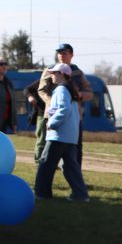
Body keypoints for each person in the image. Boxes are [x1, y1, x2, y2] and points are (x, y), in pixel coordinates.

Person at [34, 62, 90, 201]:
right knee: (70, 167)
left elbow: (64, 109)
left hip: (58, 135)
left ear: (62, 74)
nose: (51, 75)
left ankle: (41, 194)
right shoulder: (71, 90)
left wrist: (52, 123)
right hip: (70, 136)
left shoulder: (61, 90)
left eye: (54, 73)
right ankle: (81, 194)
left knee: (45, 164)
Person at [38, 43, 93, 167]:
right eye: (59, 53)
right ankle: (44, 171)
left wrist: (79, 95)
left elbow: (89, 93)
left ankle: (75, 173)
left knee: (75, 149)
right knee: (48, 147)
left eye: (64, 53)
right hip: (53, 115)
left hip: (74, 117)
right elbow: (41, 90)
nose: (61, 56)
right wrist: (53, 102)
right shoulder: (50, 70)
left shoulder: (77, 72)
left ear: (71, 55)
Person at [24, 75, 47, 161]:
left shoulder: (60, 83)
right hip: (42, 114)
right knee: (42, 139)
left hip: (54, 115)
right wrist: (30, 97)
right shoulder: (43, 81)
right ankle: (38, 161)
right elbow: (27, 90)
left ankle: (50, 161)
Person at [0, 58, 15, 133]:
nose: (4, 66)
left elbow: (12, 103)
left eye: (5, 64)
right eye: (1, 64)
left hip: (5, 122)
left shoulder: (9, 83)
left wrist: (14, 122)